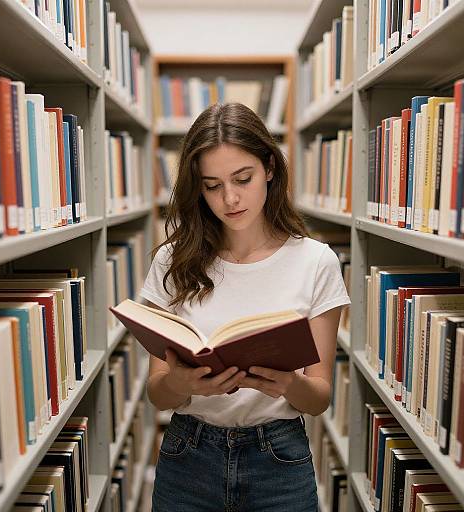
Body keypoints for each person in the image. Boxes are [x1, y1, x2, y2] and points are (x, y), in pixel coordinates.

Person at [139, 102, 351, 511]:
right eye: (212, 185)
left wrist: (288, 384)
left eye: (243, 178)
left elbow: (320, 397)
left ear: (270, 168)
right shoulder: (172, 261)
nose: (230, 198)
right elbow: (157, 393)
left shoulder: (316, 261)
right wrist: (182, 384)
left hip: (279, 458)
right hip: (188, 453)